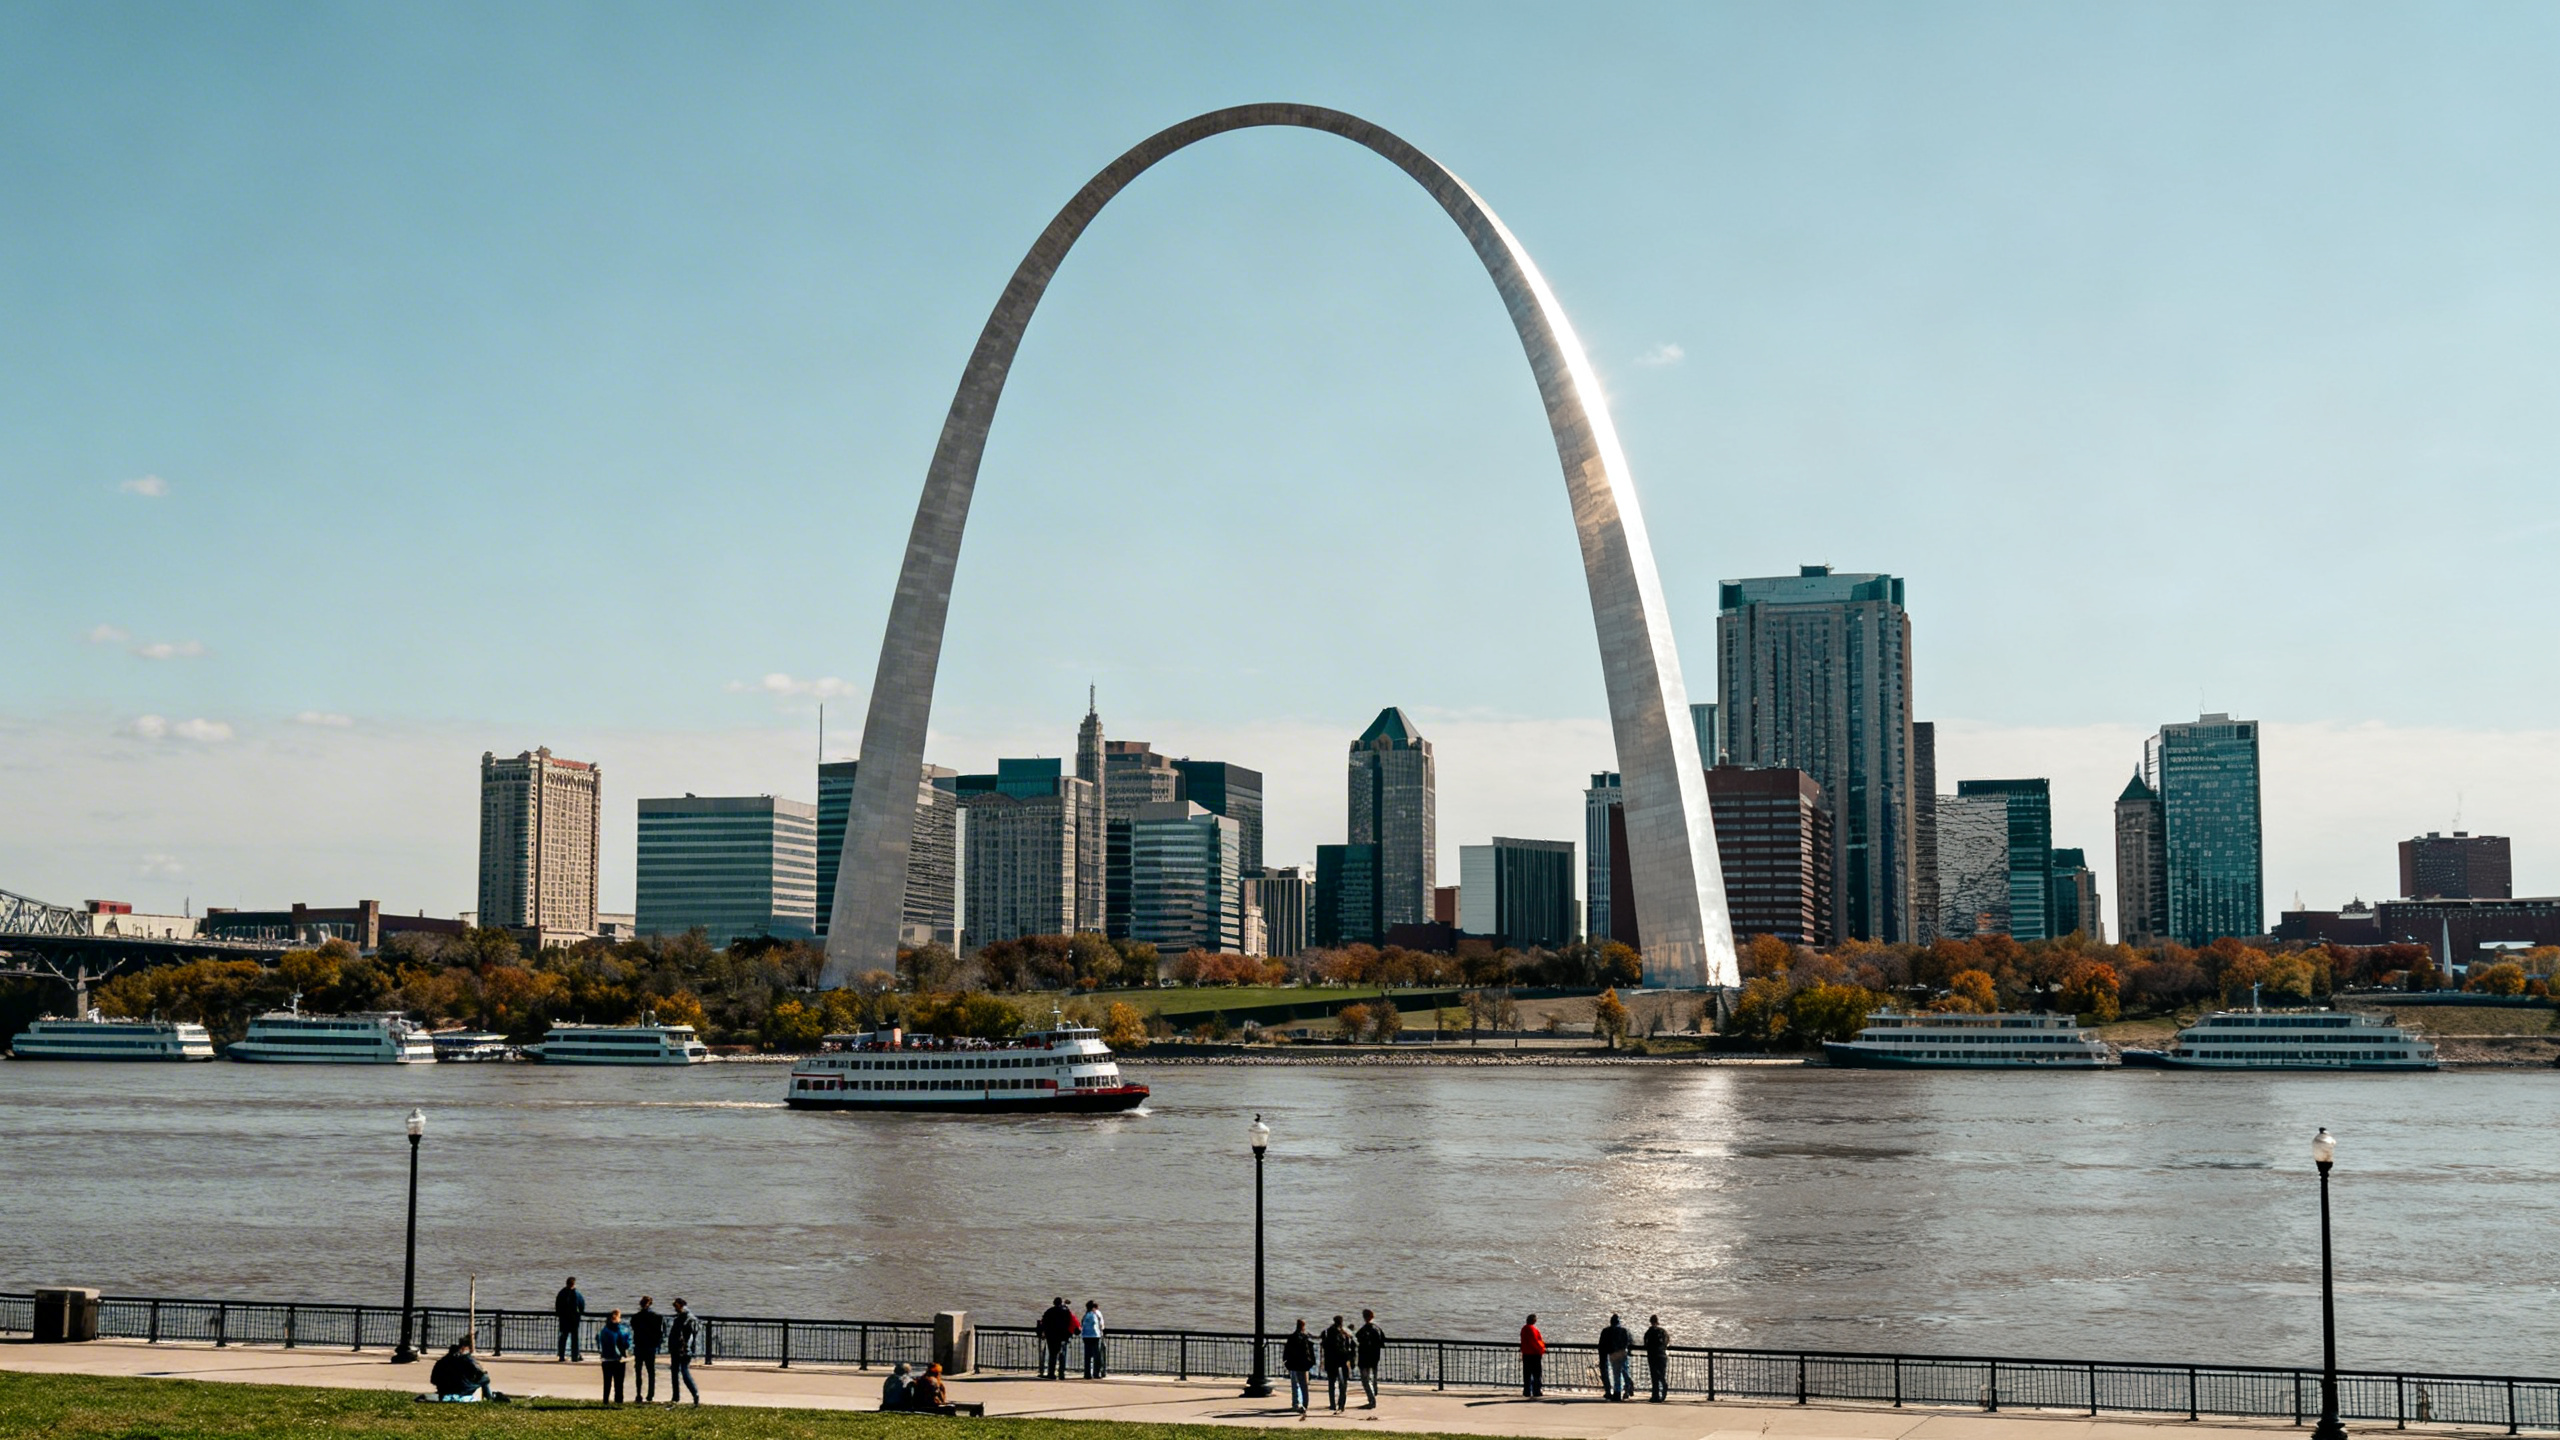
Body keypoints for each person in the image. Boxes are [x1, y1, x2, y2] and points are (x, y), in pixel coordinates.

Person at [664, 1297, 701, 1406]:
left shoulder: (685, 1318)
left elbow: (682, 1335)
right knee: (679, 1372)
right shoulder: (688, 1318)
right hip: (681, 1349)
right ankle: (683, 1395)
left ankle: (685, 1395)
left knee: (682, 1372)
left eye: (676, 1307)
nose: (675, 1309)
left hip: (681, 1349)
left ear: (680, 1305)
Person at [430, 1340, 495, 1401]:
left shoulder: (441, 1362)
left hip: (444, 1390)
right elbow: (480, 1372)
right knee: (485, 1377)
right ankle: (489, 1397)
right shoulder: (466, 1359)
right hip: (462, 1389)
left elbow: (433, 1380)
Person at [596, 1308, 633, 1406]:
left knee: (607, 1381)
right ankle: (618, 1400)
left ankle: (605, 1400)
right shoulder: (622, 1330)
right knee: (619, 1382)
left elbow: (599, 1341)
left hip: (606, 1359)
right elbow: (626, 1344)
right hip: (618, 1359)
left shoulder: (604, 1331)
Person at [631, 1296, 665, 1404]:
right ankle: (650, 1394)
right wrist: (656, 1343)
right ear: (650, 1304)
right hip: (650, 1347)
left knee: (638, 1371)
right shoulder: (657, 1317)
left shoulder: (636, 1317)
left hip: (639, 1346)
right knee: (651, 1371)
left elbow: (634, 1329)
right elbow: (660, 1333)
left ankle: (638, 1394)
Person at [1320, 1315, 1354, 1414]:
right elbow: (1350, 1346)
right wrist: (1350, 1360)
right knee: (1343, 1384)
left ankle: (1332, 1404)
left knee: (1331, 1384)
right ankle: (1341, 1404)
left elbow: (1323, 1345)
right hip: (1342, 1361)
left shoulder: (1326, 1332)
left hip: (1330, 1361)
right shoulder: (1345, 1333)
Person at [1281, 1319, 1315, 1415]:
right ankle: (1304, 1405)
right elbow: (1308, 1352)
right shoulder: (1305, 1338)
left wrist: (1286, 1361)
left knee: (1295, 1385)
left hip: (1293, 1364)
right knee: (1304, 1386)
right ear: (1303, 1326)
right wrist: (1310, 1363)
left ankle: (1296, 1403)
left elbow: (1287, 1350)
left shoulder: (1291, 1337)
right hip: (1303, 1365)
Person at [1354, 1309, 1386, 1410]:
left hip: (1365, 1357)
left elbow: (1357, 1338)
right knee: (1373, 1377)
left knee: (1365, 1380)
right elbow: (1382, 1341)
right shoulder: (1378, 1329)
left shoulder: (1364, 1329)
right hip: (1375, 1357)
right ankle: (1374, 1394)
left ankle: (1372, 1400)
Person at [1038, 1296, 1076, 1379]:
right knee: (1062, 1354)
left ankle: (1051, 1373)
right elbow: (1070, 1322)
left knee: (1052, 1355)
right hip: (1063, 1336)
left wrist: (1044, 1333)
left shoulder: (1049, 1311)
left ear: (1054, 1303)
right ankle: (1061, 1374)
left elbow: (1044, 1322)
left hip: (1051, 1336)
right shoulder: (1066, 1311)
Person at [1598, 1313, 1633, 1402]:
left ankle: (1617, 1392)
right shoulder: (1625, 1330)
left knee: (1616, 1373)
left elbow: (1602, 1345)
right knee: (1625, 1371)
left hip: (1613, 1353)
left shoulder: (1606, 1331)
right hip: (1623, 1353)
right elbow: (1630, 1342)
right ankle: (1628, 1387)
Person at [553, 1277, 585, 1362]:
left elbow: (557, 1305)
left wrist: (560, 1315)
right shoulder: (577, 1294)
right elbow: (582, 1305)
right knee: (575, 1339)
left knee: (563, 1337)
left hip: (564, 1319)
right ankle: (574, 1357)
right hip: (574, 1320)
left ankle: (561, 1356)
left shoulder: (561, 1293)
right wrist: (579, 1314)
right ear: (574, 1284)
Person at [1642, 1315, 1669, 1403]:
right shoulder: (1663, 1331)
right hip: (1662, 1355)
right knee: (1661, 1374)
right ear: (1658, 1321)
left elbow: (1645, 1344)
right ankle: (1663, 1390)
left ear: (1650, 1321)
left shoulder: (1648, 1332)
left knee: (1654, 1376)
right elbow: (1666, 1342)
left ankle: (1655, 1395)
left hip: (1652, 1356)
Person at [1518, 1314, 1545, 1399]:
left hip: (1526, 1354)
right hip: (1534, 1354)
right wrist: (1542, 1349)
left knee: (1527, 1373)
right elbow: (1536, 1342)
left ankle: (1527, 1391)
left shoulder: (1524, 1329)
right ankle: (1536, 1391)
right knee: (1536, 1373)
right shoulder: (1533, 1329)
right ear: (1534, 1321)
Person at [1080, 1299, 1107, 1379]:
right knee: (1097, 1356)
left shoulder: (1086, 1314)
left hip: (1086, 1336)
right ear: (1096, 1307)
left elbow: (1082, 1324)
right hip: (1096, 1336)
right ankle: (1096, 1373)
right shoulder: (1098, 1313)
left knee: (1087, 1356)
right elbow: (1102, 1325)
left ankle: (1087, 1373)